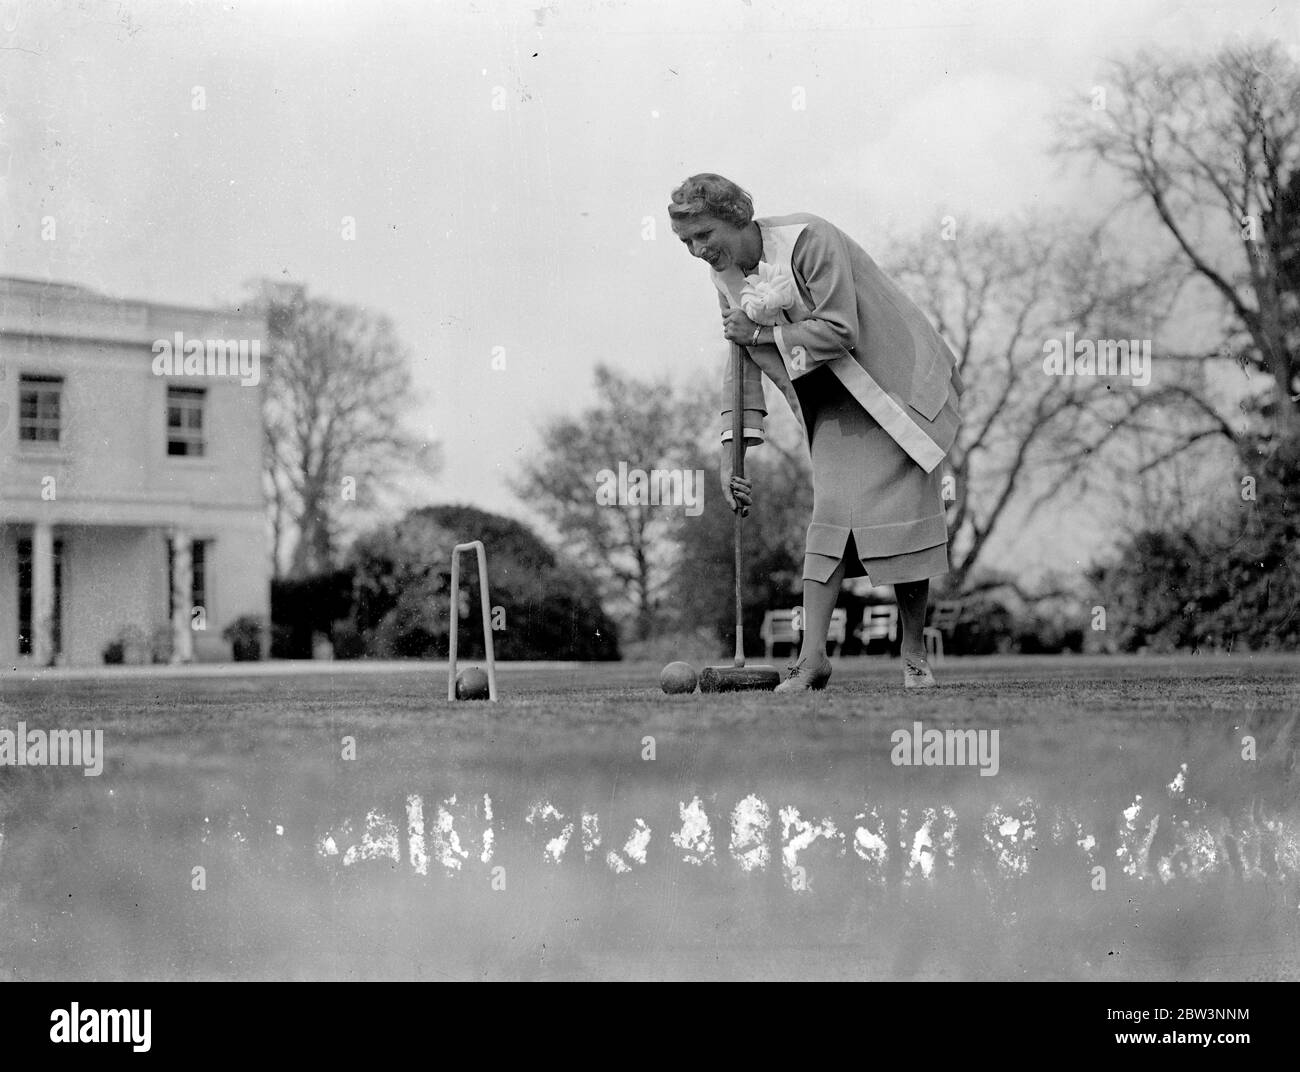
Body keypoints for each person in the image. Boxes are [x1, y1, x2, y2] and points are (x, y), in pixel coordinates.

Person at [668, 173, 963, 691]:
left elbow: (841, 329)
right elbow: (741, 368)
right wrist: (730, 458)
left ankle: (914, 654)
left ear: (738, 217)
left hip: (893, 384)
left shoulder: (810, 239)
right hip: (831, 401)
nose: (697, 251)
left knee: (904, 519)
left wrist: (760, 331)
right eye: (687, 242)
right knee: (827, 520)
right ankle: (812, 660)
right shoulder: (726, 280)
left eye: (704, 235)